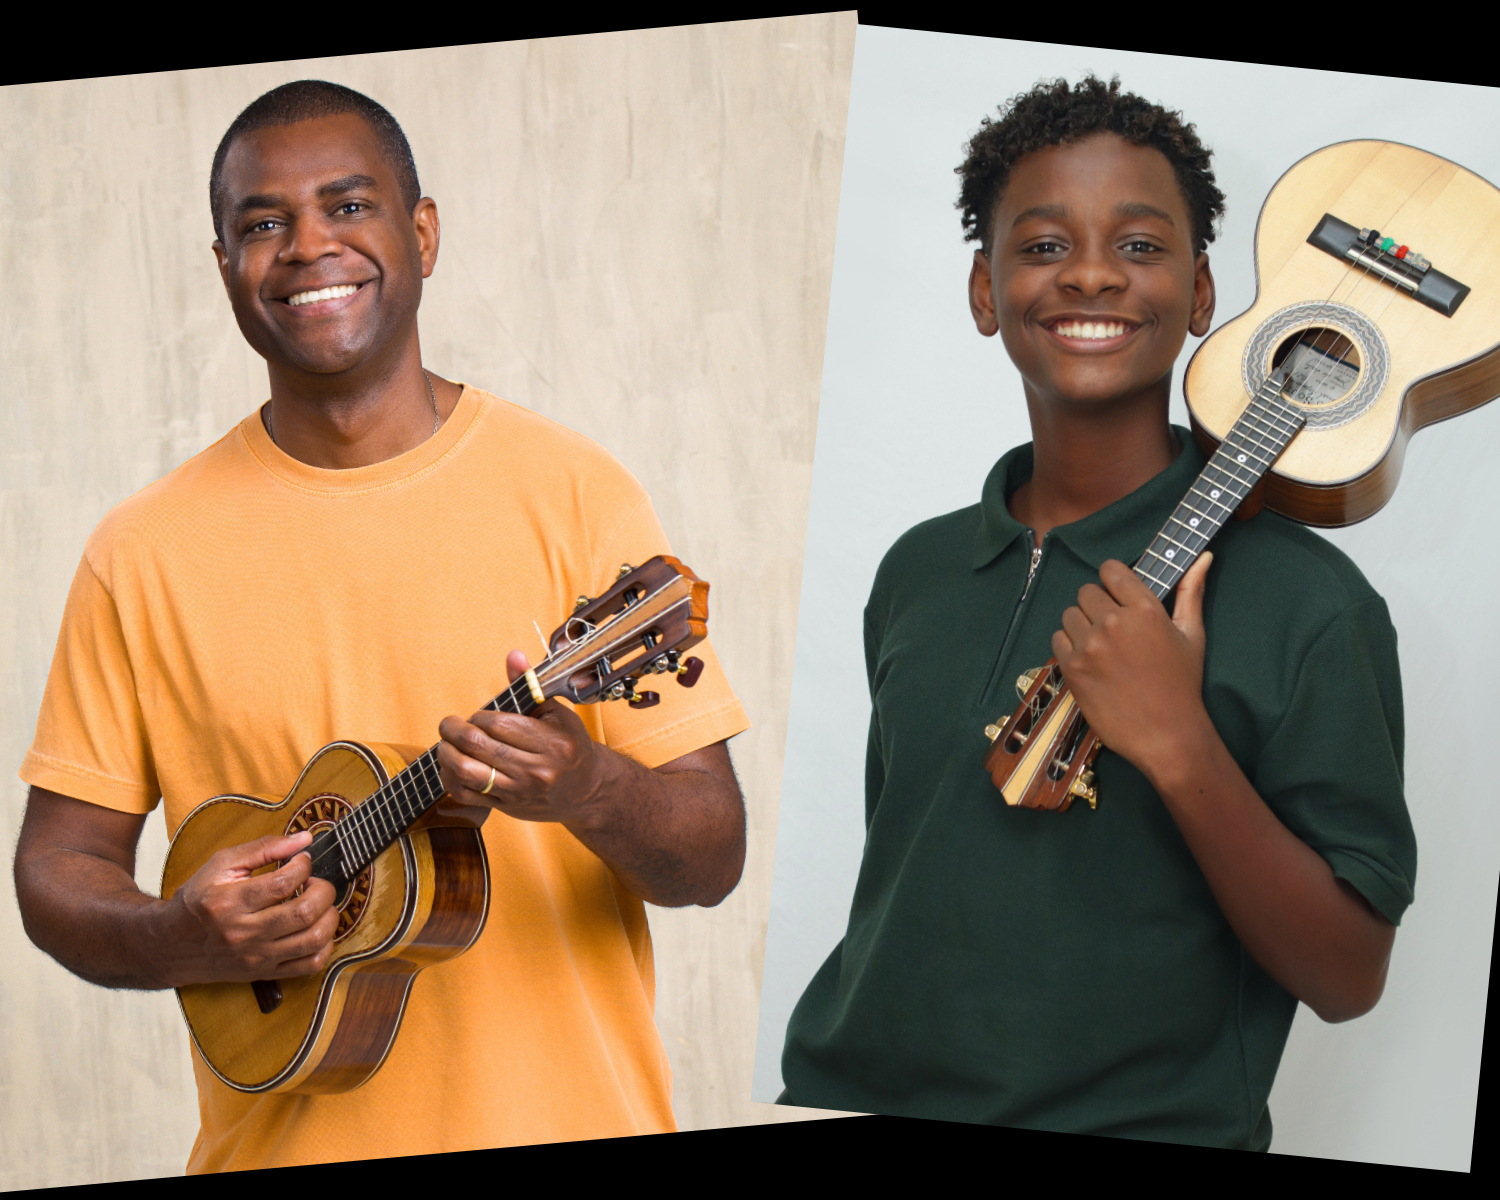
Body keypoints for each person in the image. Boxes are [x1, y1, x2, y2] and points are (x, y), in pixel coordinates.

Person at [13, 80, 750, 1170]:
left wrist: (588, 787)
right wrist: (183, 938)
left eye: (349, 206)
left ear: (424, 233)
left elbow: (712, 855)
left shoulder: (576, 492)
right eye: (264, 223)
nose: (309, 245)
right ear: (224, 265)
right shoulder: (140, 551)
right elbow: (56, 868)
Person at [778, 76, 1415, 1149]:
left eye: (1139, 245)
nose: (1089, 273)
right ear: (984, 291)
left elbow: (1349, 975)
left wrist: (1176, 741)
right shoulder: (919, 570)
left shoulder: (1311, 604)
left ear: (1203, 294)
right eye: (1042, 246)